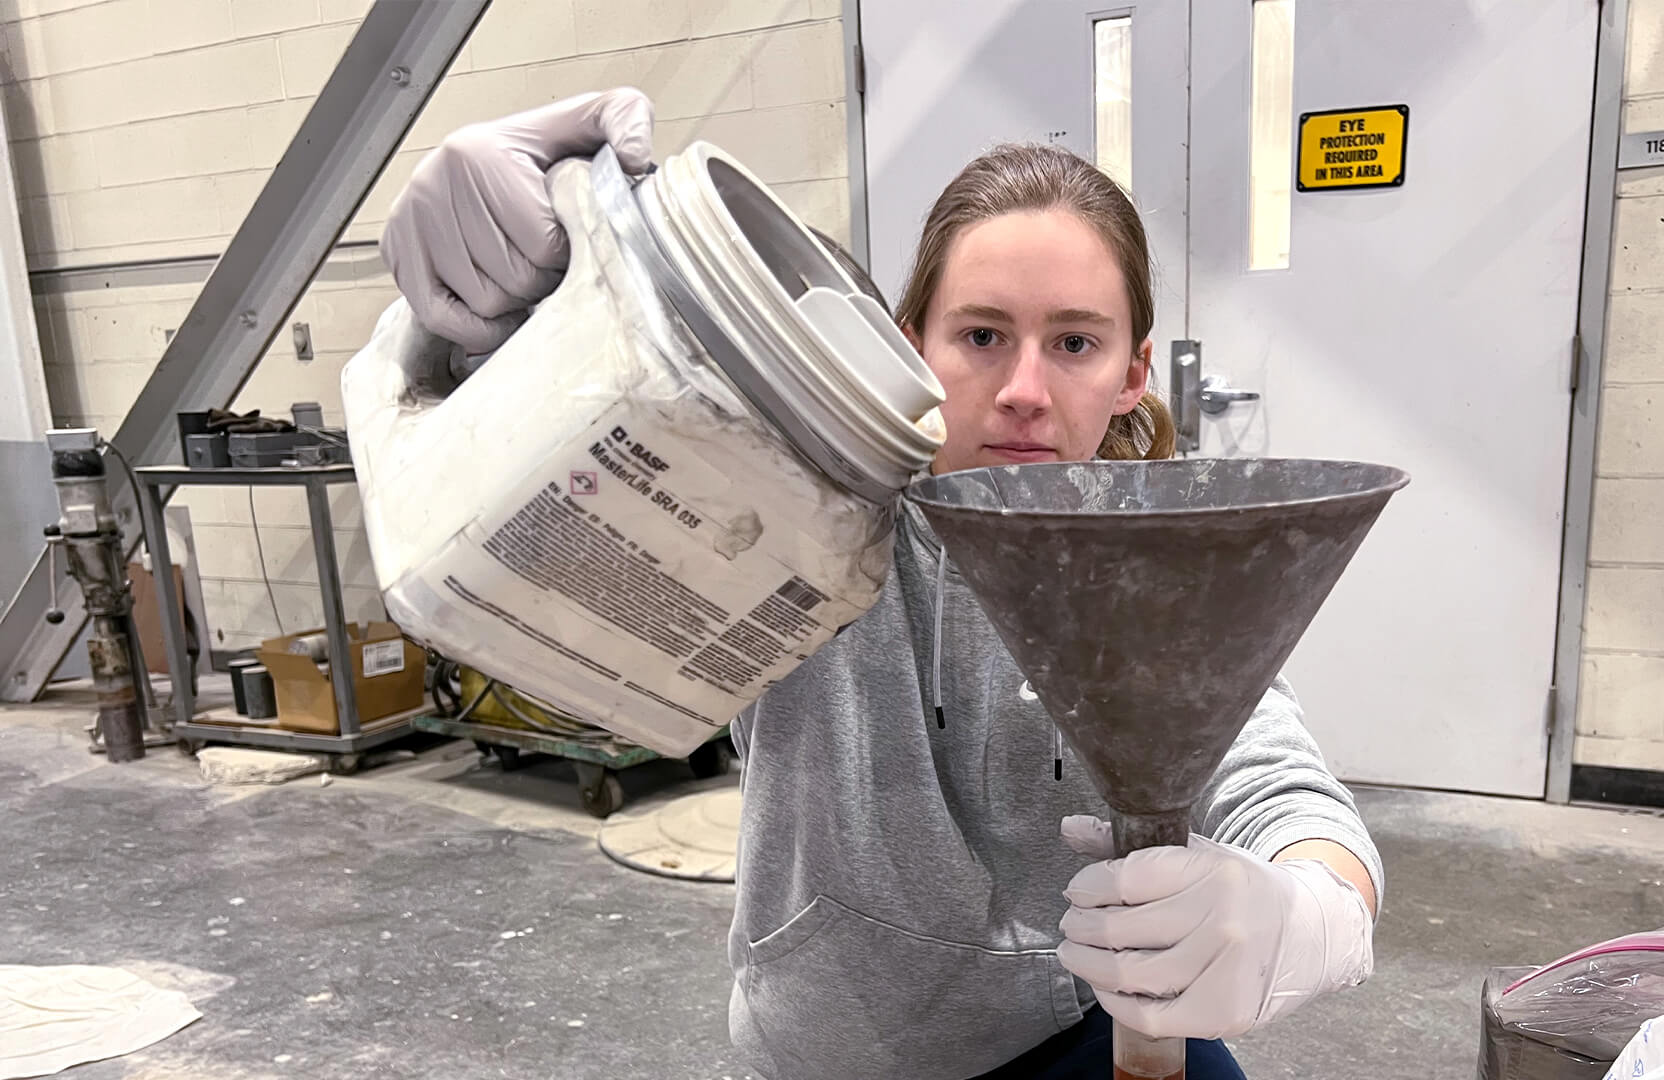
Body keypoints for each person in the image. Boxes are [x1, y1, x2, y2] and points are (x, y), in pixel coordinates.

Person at [382, 87, 1381, 1080]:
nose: (1026, 391)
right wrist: (493, 328)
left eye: (1075, 342)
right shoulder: (801, 514)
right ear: (912, 343)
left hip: (1075, 1029)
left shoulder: (1154, 565)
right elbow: (573, 493)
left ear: (1132, 375)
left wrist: (1308, 914)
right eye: (982, 336)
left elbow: (1282, 786)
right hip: (831, 1052)